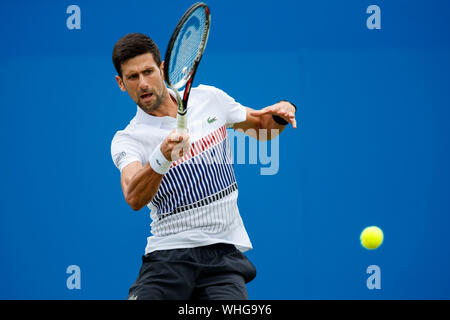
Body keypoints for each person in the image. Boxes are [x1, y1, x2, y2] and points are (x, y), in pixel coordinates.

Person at [110, 33, 297, 300]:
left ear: (162, 69)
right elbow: (133, 197)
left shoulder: (210, 99)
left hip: (222, 260)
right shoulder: (127, 139)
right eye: (132, 77)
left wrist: (283, 110)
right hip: (167, 259)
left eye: (148, 72)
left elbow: (263, 128)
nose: (143, 83)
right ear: (121, 83)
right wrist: (162, 157)